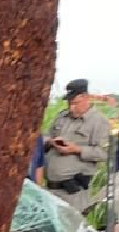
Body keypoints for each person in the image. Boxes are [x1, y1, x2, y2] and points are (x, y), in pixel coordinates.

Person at [43, 79, 109, 212]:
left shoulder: (98, 121)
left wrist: (76, 149)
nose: (71, 108)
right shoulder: (62, 117)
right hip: (51, 190)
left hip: (73, 193)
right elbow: (46, 136)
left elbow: (104, 153)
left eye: (75, 103)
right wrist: (51, 142)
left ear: (86, 98)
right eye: (69, 103)